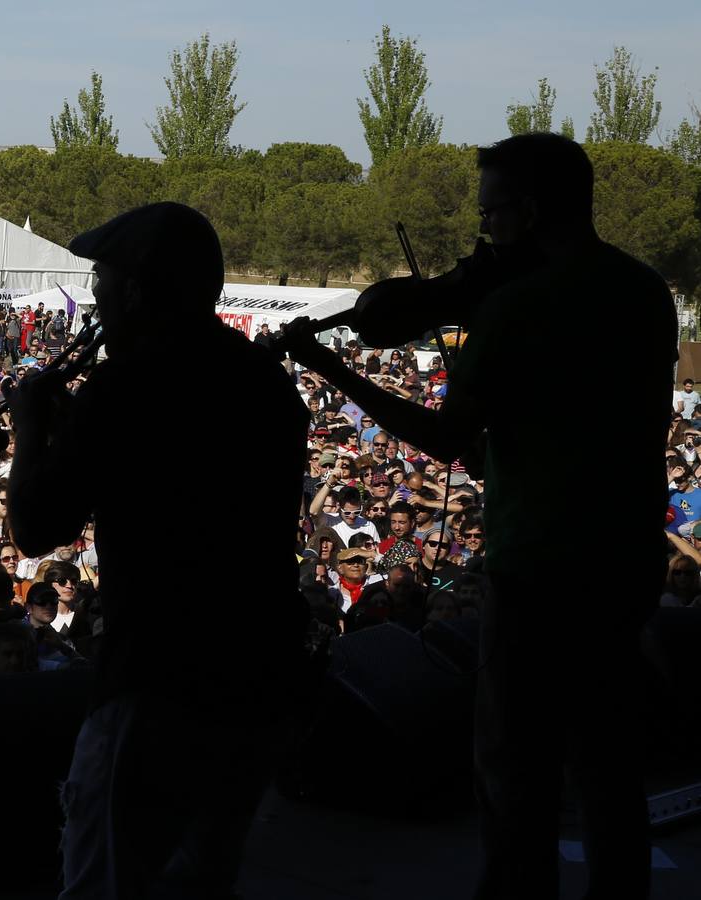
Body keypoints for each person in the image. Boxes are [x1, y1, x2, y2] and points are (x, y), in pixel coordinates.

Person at [280, 133, 671, 899]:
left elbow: (442, 436)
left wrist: (329, 368)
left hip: (540, 559)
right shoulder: (641, 289)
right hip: (625, 551)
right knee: (606, 762)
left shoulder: (517, 304)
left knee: (513, 764)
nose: (482, 234)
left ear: (527, 211)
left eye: (491, 213)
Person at [6, 202, 308, 899]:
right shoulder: (264, 381)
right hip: (259, 674)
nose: (95, 302)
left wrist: (31, 430)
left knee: (105, 875)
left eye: (102, 284)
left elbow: (34, 526)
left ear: (137, 290)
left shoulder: (128, 385)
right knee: (204, 876)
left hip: (158, 677)